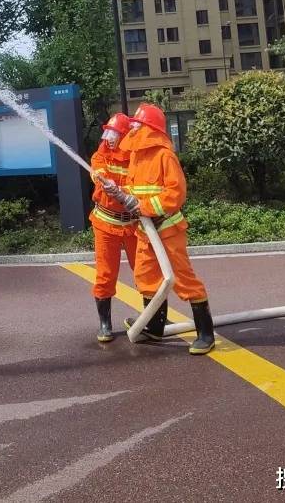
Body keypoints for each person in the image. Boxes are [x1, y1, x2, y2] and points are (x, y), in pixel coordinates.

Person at [121, 103, 215, 355]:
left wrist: (144, 207)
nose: (133, 129)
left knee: (183, 279)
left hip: (167, 229)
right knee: (146, 277)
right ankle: (153, 327)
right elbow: (134, 189)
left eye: (138, 125)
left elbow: (176, 194)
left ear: (150, 129)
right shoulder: (136, 156)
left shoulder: (165, 156)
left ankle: (206, 334)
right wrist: (124, 198)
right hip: (145, 230)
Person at [88, 112, 138, 343]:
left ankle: (154, 316)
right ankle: (105, 323)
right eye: (108, 132)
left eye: (115, 133)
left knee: (146, 273)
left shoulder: (136, 158)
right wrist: (103, 180)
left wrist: (124, 192)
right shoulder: (101, 155)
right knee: (105, 275)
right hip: (106, 224)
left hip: (133, 224)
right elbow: (97, 171)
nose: (109, 137)